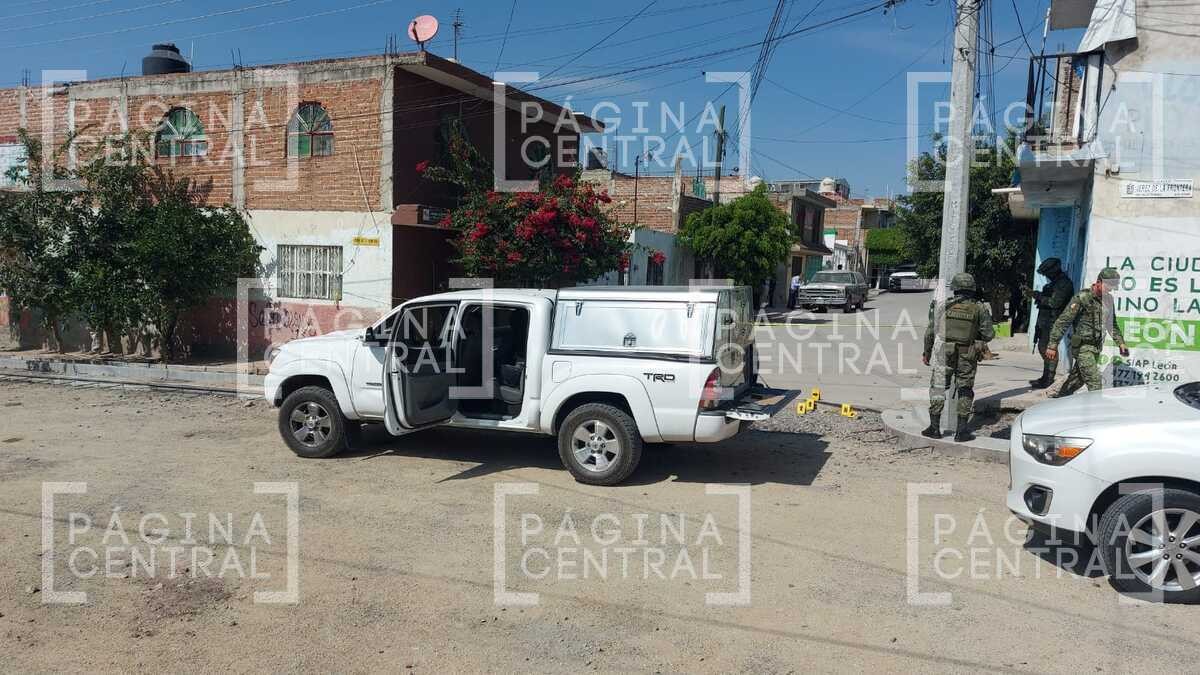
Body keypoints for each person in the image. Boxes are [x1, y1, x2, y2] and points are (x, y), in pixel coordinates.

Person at [922, 273, 994, 442]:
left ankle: (934, 428)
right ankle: (961, 432)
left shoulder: (943, 306)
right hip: (967, 353)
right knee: (965, 389)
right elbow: (988, 334)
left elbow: (930, 333)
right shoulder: (979, 308)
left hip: (943, 353)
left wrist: (927, 353)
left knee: (938, 388)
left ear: (954, 288)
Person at [1046, 267, 1130, 397]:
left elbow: (1111, 324)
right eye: (1108, 286)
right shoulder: (1082, 297)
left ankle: (1059, 402)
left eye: (1112, 288)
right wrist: (1052, 345)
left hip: (1096, 347)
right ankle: (1096, 413)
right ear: (1099, 282)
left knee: (1076, 381)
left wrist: (1121, 343)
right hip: (1082, 347)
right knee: (1095, 382)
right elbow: (1063, 321)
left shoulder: (1108, 300)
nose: (1110, 290)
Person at [1028, 257, 1075, 389]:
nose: (1046, 276)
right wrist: (1037, 295)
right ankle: (1045, 376)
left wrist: (1039, 297)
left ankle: (1049, 379)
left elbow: (1055, 303)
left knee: (1049, 349)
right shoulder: (1053, 284)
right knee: (1042, 347)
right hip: (1045, 320)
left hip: (1054, 321)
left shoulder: (1064, 284)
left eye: (1047, 273)